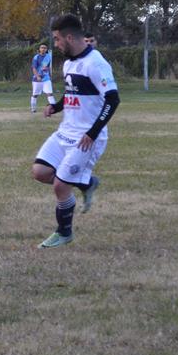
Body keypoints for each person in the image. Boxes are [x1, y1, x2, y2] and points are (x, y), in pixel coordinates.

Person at [32, 14, 120, 248]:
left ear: (69, 37)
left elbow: (112, 99)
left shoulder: (96, 63)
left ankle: (64, 233)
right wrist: (56, 106)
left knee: (61, 186)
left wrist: (92, 133)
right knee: (40, 172)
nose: (56, 44)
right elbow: (73, 93)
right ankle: (86, 183)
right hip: (65, 132)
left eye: (57, 39)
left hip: (86, 138)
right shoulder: (69, 63)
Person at [30, 43, 55, 113]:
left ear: (46, 49)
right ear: (39, 49)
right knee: (35, 95)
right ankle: (33, 109)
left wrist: (48, 71)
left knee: (50, 94)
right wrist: (37, 76)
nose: (43, 49)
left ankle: (54, 108)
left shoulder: (48, 57)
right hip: (37, 79)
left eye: (45, 48)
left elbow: (47, 67)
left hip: (46, 79)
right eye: (42, 47)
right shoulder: (36, 57)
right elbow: (34, 68)